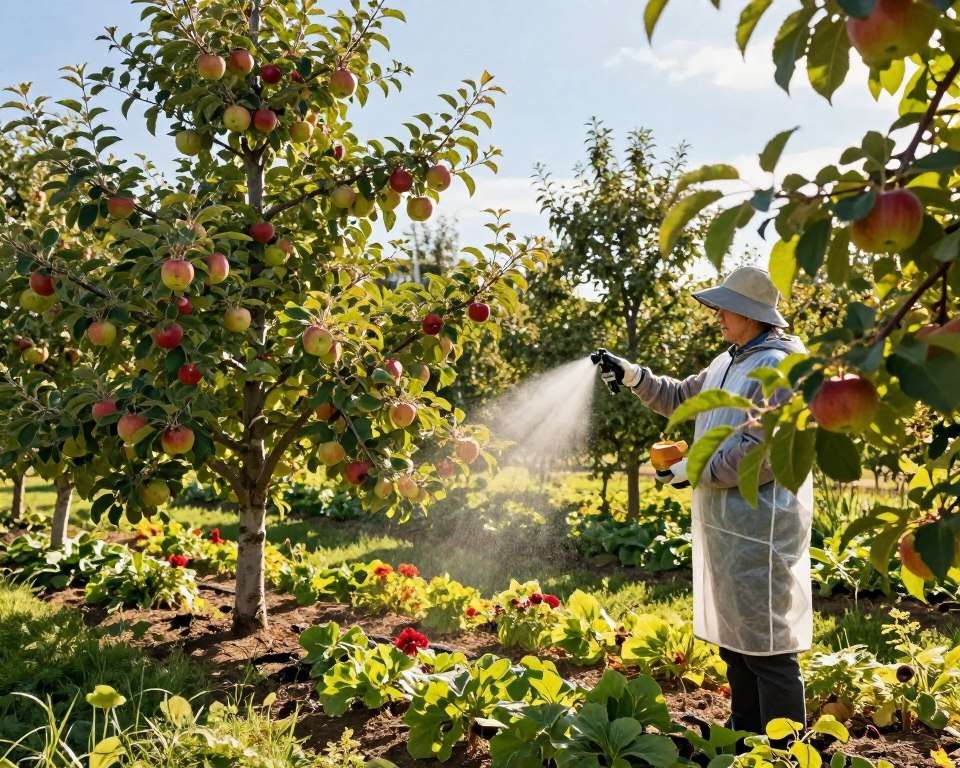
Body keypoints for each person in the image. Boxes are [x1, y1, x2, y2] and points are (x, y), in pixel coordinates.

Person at [599, 266, 813, 739]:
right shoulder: (730, 360)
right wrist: (634, 375)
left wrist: (696, 467)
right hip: (728, 526)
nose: (717, 315)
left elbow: (767, 451)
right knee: (738, 643)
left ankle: (785, 749)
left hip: (764, 527)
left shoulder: (779, 367)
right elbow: (683, 399)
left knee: (769, 647)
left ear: (752, 315)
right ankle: (746, 737)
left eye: (725, 308)